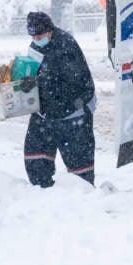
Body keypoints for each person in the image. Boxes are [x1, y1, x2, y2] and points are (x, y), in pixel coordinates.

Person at [23, 11, 96, 187]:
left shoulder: (66, 46)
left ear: (49, 30)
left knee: (79, 163)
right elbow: (33, 69)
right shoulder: (36, 45)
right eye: (32, 35)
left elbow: (74, 83)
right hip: (45, 110)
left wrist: (41, 83)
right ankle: (41, 190)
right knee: (35, 154)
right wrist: (27, 81)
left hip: (73, 109)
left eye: (38, 34)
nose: (35, 38)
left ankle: (84, 196)